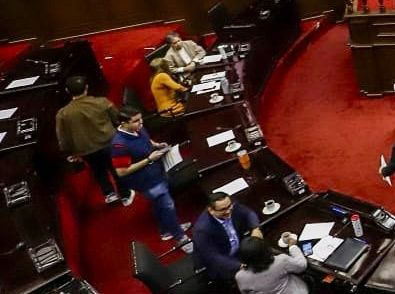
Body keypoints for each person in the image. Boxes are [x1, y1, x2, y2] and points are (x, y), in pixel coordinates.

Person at [110, 107, 191, 251]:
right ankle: (180, 238)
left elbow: (146, 138)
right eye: (136, 121)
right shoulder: (119, 144)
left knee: (159, 204)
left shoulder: (138, 128)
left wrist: (156, 145)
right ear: (124, 123)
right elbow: (121, 171)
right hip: (145, 181)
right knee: (167, 205)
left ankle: (166, 231)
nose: (141, 123)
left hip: (156, 171)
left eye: (141, 119)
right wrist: (148, 159)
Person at [56, 75, 130, 205]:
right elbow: (117, 119)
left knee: (98, 171)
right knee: (115, 168)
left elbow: (63, 139)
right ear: (87, 88)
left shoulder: (62, 114)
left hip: (86, 151)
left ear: (67, 91)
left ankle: (109, 194)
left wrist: (70, 152)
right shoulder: (102, 102)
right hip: (109, 143)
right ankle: (125, 194)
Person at [194, 191, 263, 285]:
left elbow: (248, 213)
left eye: (229, 206)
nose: (228, 211)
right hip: (224, 262)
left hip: (239, 250)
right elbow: (213, 257)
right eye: (223, 209)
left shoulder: (230, 205)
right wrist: (239, 266)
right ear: (211, 210)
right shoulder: (202, 230)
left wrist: (255, 228)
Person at [234, 234, 309, 294]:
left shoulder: (240, 276)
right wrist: (293, 247)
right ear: (266, 250)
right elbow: (302, 265)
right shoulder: (281, 261)